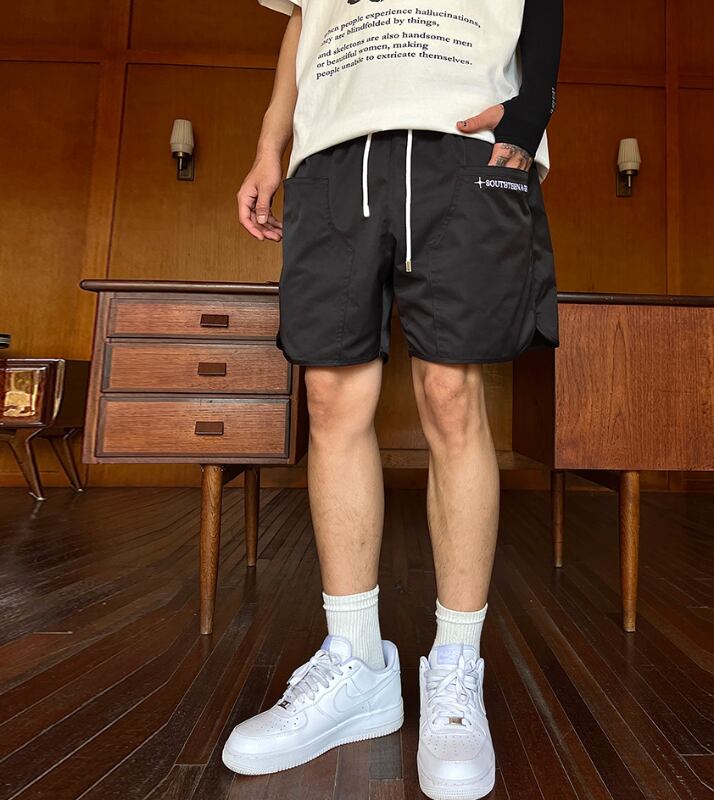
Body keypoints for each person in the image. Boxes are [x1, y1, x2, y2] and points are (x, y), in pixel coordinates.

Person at [223, 1, 562, 797]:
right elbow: (302, 17)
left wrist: (533, 109)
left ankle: (456, 667)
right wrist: (270, 145)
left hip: (461, 140)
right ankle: (356, 665)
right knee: (331, 397)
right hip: (333, 150)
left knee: (451, 395)